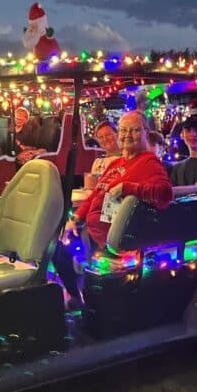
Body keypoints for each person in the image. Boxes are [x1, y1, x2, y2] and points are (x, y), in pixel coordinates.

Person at [56, 111, 173, 298]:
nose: (127, 135)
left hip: (115, 241)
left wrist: (128, 187)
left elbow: (165, 194)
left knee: (61, 254)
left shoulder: (149, 162)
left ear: (145, 133)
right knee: (54, 249)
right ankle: (78, 300)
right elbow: (96, 194)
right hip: (91, 233)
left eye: (134, 130)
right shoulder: (115, 163)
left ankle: (86, 304)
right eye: (124, 130)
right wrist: (76, 218)